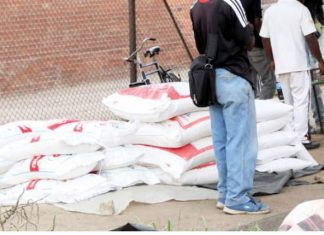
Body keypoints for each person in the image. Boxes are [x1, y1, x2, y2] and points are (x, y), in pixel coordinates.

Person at [190, 0, 270, 215]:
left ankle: (225, 193)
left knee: (222, 141)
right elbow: (249, 41)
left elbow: (200, 45)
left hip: (211, 79)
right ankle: (238, 198)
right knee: (241, 142)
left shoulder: (195, 7)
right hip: (234, 77)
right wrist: (249, 31)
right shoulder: (230, 3)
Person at [260, 0, 324, 150]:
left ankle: (292, 138)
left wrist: (271, 60)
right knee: (301, 102)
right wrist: (320, 61)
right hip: (298, 64)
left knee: (289, 103)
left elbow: (264, 37)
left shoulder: (270, 11)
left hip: (281, 66)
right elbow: (310, 37)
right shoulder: (300, 9)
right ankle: (302, 138)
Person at [241, 0, 277, 100]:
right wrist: (262, 39)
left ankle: (253, 110)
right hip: (256, 46)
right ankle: (261, 108)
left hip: (244, 47)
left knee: (252, 84)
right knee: (269, 81)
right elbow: (257, 21)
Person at [304, 0, 324, 134]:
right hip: (307, 39)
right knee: (311, 82)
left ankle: (318, 120)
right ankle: (320, 120)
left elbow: (319, 12)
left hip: (308, 38)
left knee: (311, 83)